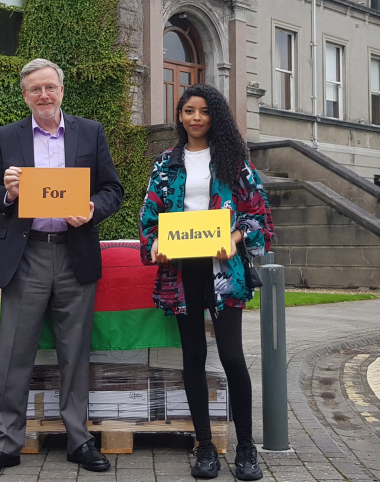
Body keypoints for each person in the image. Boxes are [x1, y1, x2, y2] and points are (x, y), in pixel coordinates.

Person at [0, 59, 124, 475]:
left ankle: (79, 440)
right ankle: (5, 443)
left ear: (62, 90)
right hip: (28, 255)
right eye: (35, 89)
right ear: (25, 95)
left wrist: (92, 209)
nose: (43, 95)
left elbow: (113, 189)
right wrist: (6, 193)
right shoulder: (5, 137)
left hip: (75, 254)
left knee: (74, 353)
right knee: (12, 355)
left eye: (50, 87)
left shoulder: (89, 132)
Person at [139, 84, 274, 480]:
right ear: (179, 116)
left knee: (232, 356)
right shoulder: (166, 163)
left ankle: (247, 446)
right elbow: (150, 216)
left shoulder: (234, 162)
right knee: (193, 358)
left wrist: (234, 238)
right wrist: (157, 244)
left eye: (203, 111)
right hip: (181, 272)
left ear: (215, 115)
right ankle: (204, 446)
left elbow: (260, 216)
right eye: (188, 111)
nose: (196, 118)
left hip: (223, 271)